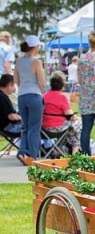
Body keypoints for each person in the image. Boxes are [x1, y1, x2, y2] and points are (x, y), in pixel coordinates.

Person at [14, 35, 45, 165]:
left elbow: (16, 80)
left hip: (22, 95)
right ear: (35, 47)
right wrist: (41, 92)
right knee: (34, 128)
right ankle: (32, 156)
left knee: (25, 127)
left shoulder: (18, 61)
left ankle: (22, 151)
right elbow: (42, 82)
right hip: (34, 95)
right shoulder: (36, 62)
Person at [42, 73, 82, 154]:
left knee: (71, 129)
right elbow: (70, 115)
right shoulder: (62, 97)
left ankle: (58, 150)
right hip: (58, 128)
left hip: (45, 128)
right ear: (62, 86)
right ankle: (75, 151)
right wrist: (79, 118)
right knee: (78, 125)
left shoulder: (44, 96)